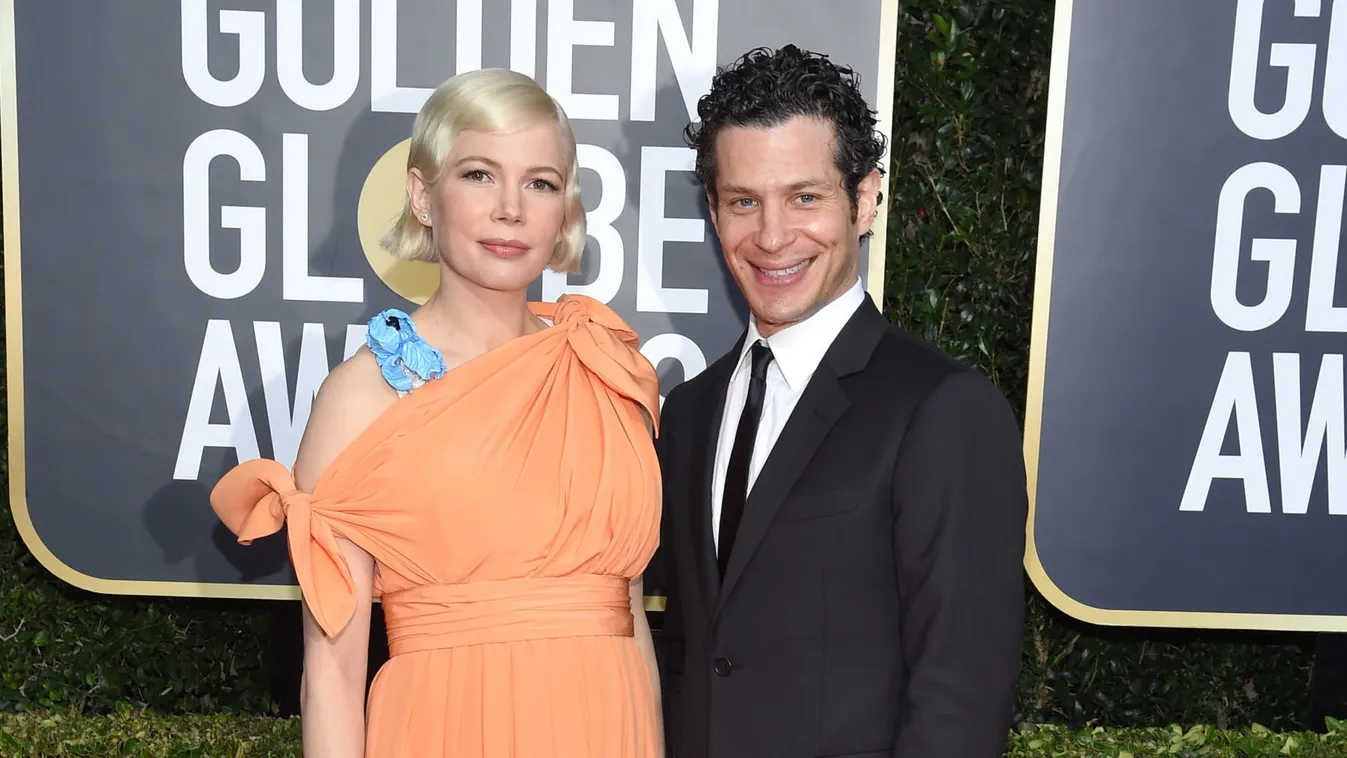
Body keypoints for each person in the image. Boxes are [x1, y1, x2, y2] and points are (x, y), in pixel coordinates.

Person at [210, 68, 664, 758]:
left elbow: (628, 613)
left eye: (539, 183)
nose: (510, 208)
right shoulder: (359, 397)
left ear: (564, 211)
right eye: (479, 175)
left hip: (613, 724)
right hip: (448, 727)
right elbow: (330, 674)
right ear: (423, 196)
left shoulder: (602, 363)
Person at [653, 45, 1027, 757]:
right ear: (712, 211)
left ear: (862, 199)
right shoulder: (691, 411)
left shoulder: (942, 409)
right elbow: (692, 654)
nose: (770, 237)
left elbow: (959, 695)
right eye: (743, 202)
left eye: (803, 197)